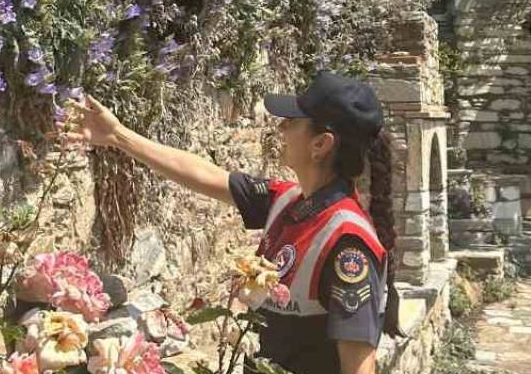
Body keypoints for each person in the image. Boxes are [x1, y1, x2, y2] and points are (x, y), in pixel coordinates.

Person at [60, 71, 397, 374]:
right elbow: (204, 174)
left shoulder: (347, 244)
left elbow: (359, 366)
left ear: (320, 144)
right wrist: (117, 135)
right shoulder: (289, 201)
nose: (281, 127)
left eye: (293, 122)